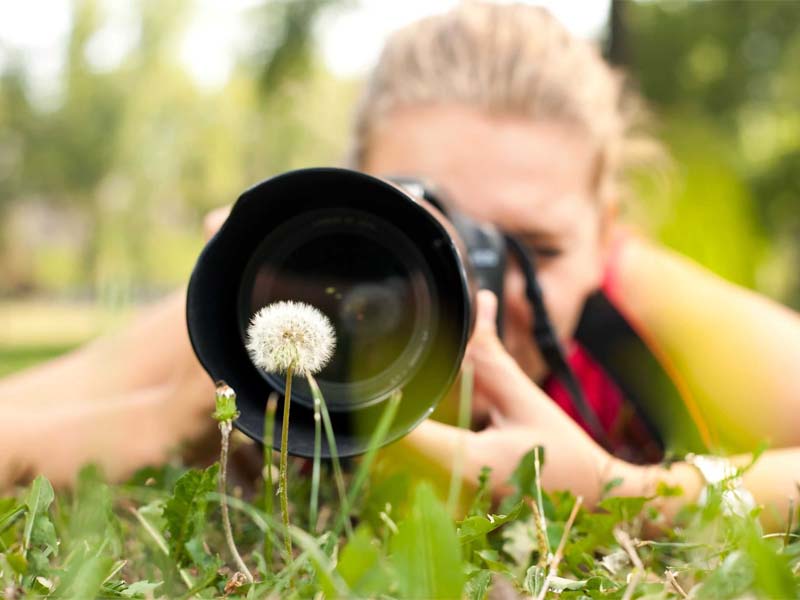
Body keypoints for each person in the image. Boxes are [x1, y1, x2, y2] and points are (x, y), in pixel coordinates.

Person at [2, 3, 799, 531]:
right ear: (346, 211)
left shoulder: (638, 313)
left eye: (538, 250)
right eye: (430, 236)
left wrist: (613, 492)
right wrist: (172, 418)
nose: (482, 290)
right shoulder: (282, 311)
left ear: (609, 234)